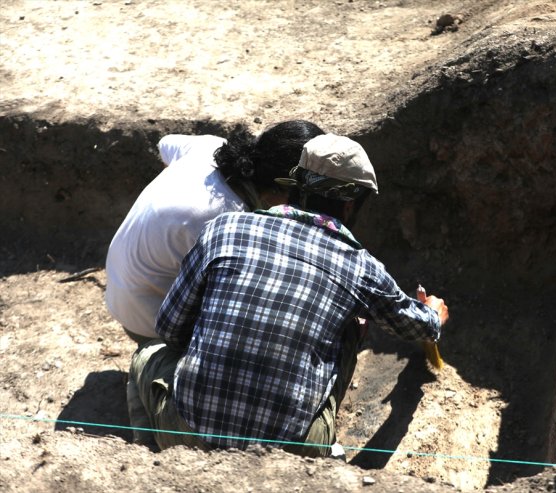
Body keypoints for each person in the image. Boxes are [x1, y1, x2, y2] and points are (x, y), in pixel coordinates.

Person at [126, 133, 450, 455]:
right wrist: (434, 312)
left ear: (294, 184)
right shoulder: (360, 266)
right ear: (351, 205)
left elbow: (169, 328)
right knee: (354, 323)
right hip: (290, 452)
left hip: (185, 433)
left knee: (146, 355)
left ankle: (153, 461)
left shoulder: (224, 229)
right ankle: (325, 445)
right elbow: (419, 327)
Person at [105, 120, 325, 344]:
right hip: (148, 322)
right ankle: (158, 362)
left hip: (119, 290)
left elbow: (165, 144)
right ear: (283, 187)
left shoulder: (210, 147)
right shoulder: (230, 223)